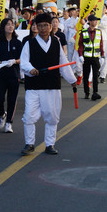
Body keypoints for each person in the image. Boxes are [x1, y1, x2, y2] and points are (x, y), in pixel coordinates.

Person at [19, 13, 78, 156]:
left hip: (52, 85)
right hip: (33, 85)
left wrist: (72, 80)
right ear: (36, 27)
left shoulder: (56, 42)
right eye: (40, 26)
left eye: (46, 25)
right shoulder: (29, 43)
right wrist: (30, 69)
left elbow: (63, 63)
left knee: (52, 116)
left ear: (51, 26)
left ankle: (50, 144)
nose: (43, 28)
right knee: (29, 116)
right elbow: (24, 61)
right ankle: (29, 144)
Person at [0, 18, 22, 133]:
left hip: (14, 74)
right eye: (8, 25)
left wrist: (14, 61)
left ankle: (9, 123)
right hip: (1, 74)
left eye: (12, 25)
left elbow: (22, 59)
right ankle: (1, 114)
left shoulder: (17, 43)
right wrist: (2, 63)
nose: (10, 26)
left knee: (12, 99)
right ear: (3, 27)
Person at [77, 14, 103, 100]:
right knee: (86, 75)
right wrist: (80, 55)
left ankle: (95, 92)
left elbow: (100, 44)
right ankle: (86, 93)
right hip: (86, 57)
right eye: (94, 20)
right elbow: (80, 45)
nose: (96, 22)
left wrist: (102, 55)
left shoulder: (99, 32)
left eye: (96, 21)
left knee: (95, 76)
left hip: (95, 57)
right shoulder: (84, 32)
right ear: (90, 21)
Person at [98, 7, 107, 82]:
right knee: (97, 57)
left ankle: (102, 75)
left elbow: (104, 26)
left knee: (106, 57)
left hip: (105, 40)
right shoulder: (96, 17)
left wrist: (98, 22)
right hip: (97, 40)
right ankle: (97, 71)